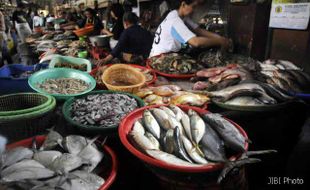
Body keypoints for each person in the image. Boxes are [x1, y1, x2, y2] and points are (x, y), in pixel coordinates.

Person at [149, 0, 229, 57]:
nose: (194, 10)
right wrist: (219, 41)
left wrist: (221, 38)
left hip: (165, 55)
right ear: (183, 4)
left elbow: (199, 30)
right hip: (159, 59)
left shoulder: (178, 15)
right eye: (193, 6)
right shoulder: (175, 21)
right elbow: (195, 42)